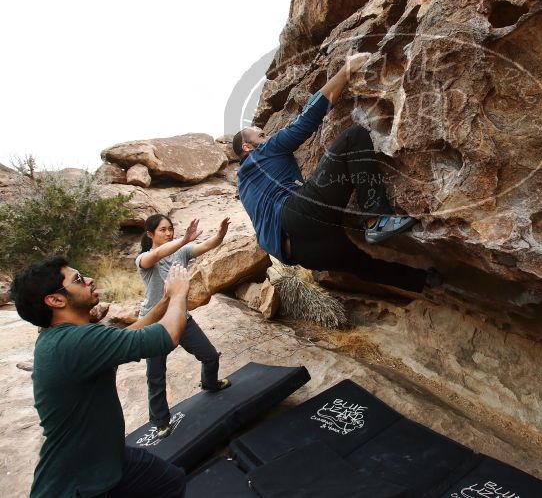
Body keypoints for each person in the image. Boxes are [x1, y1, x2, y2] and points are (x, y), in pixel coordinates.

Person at [233, 52, 441, 293]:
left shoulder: (243, 184)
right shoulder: (263, 153)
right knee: (353, 137)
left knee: (364, 266)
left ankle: (425, 281)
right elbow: (306, 119)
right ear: (247, 147)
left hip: (303, 254)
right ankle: (376, 219)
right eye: (261, 135)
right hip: (298, 216)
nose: (266, 136)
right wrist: (346, 70)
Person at [11, 257, 191, 497]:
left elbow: (127, 335)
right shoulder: (74, 343)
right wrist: (180, 293)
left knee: (170, 482)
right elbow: (168, 335)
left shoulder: (63, 338)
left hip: (106, 459)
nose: (89, 279)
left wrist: (167, 300)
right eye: (78, 279)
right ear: (55, 300)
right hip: (79, 484)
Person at [137, 213, 231, 439]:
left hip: (180, 317)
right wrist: (183, 240)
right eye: (162, 230)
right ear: (150, 234)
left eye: (170, 228)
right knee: (156, 375)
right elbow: (158, 253)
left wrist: (220, 234)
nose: (168, 233)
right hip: (155, 323)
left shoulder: (182, 252)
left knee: (210, 356)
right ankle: (160, 421)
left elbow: (208, 245)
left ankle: (210, 384)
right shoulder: (144, 258)